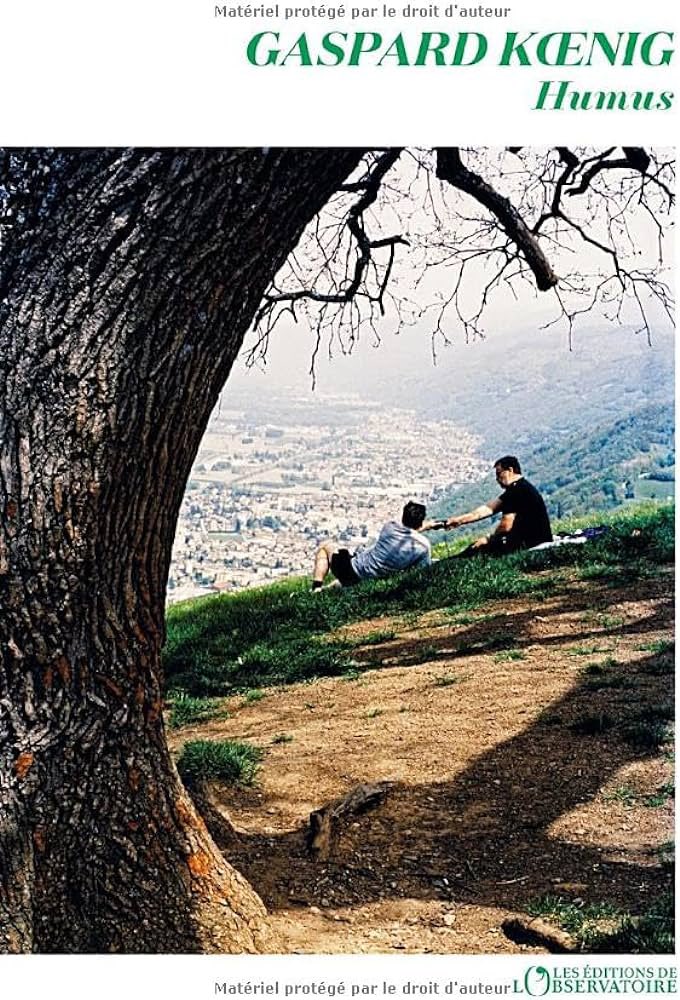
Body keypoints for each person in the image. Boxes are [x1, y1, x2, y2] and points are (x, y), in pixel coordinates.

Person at [424, 456, 552, 556]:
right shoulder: (520, 487)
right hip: (536, 539)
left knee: (475, 549)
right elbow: (486, 509)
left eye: (499, 474)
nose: (497, 479)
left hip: (529, 542)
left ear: (510, 470)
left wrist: (489, 540)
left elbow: (506, 526)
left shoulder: (516, 491)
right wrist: (458, 520)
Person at [312, 501, 431, 590]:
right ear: (420, 522)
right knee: (347, 576)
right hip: (371, 579)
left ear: (404, 516)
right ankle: (328, 590)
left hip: (351, 570)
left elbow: (405, 530)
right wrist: (435, 525)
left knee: (325, 546)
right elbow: (422, 569)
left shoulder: (389, 527)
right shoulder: (424, 546)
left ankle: (316, 588)